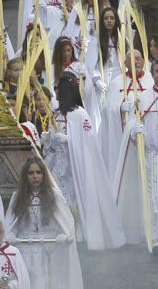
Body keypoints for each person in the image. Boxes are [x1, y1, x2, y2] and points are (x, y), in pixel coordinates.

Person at [4, 156, 90, 289]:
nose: (35, 176)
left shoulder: (54, 196)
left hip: (47, 252)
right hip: (26, 252)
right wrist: (11, 237)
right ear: (26, 176)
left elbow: (65, 224)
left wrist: (63, 236)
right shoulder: (19, 197)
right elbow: (10, 224)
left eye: (38, 172)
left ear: (44, 174)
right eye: (31, 173)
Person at [112, 58, 158, 262]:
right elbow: (134, 129)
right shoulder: (143, 98)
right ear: (152, 74)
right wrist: (136, 133)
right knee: (153, 199)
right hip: (151, 157)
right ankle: (154, 238)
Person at [46, 72, 124, 250]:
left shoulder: (81, 114)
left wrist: (69, 141)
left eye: (58, 88)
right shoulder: (56, 114)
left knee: (74, 198)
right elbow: (52, 140)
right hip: (58, 166)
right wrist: (49, 140)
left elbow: (89, 144)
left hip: (76, 168)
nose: (56, 92)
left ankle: (80, 234)